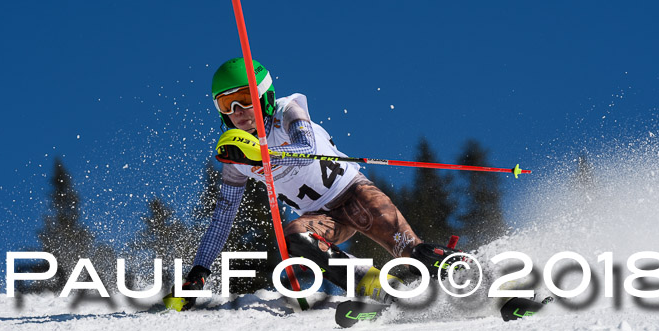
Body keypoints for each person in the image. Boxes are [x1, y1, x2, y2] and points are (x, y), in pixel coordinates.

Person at [168, 58, 460, 310]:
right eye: (226, 103)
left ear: (263, 94)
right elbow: (222, 219)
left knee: (413, 254)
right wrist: (198, 272)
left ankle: (468, 275)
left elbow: (306, 150)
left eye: (244, 98)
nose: (238, 110)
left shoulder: (286, 112)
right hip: (322, 218)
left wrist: (263, 155)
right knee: (294, 234)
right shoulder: (236, 156)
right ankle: (380, 286)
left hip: (355, 194)